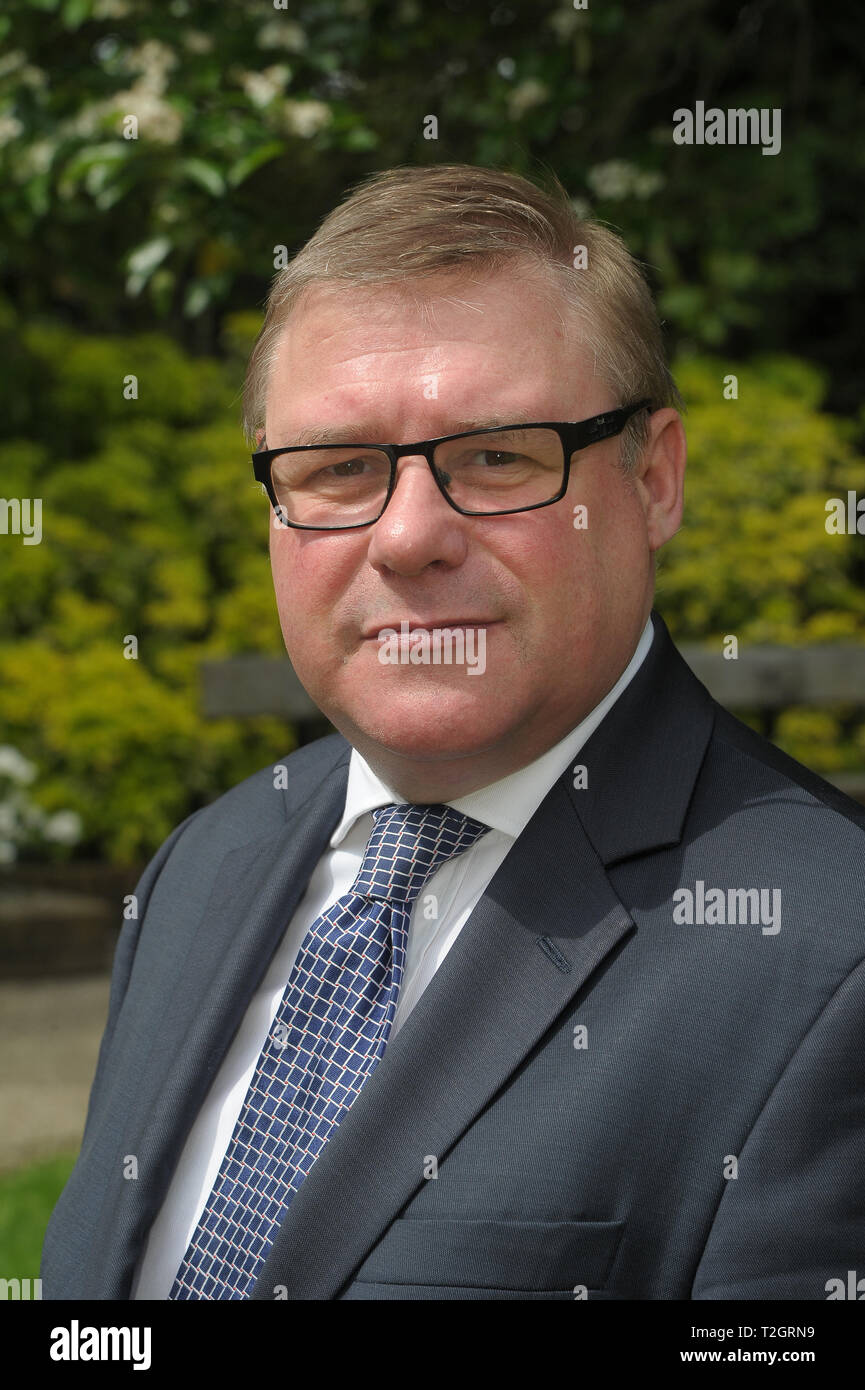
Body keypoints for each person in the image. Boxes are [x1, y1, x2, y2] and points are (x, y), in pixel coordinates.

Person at [42, 164, 865, 1301]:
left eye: (495, 454)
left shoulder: (830, 956)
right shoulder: (202, 869)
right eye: (338, 469)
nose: (409, 536)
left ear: (655, 478)